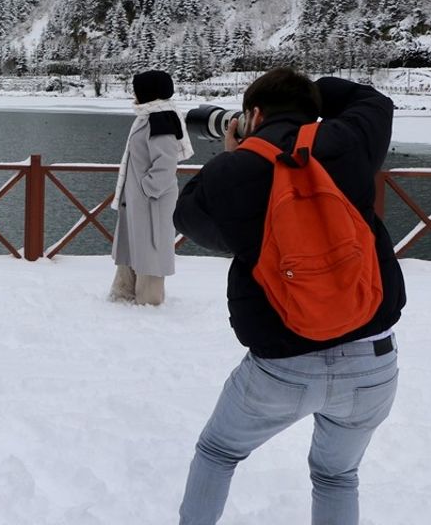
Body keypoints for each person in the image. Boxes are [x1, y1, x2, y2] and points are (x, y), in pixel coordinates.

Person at [173, 68, 407, 525]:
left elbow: (191, 219)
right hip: (371, 359)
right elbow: (372, 99)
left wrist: (236, 150)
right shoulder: (350, 140)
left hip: (282, 366)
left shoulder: (235, 169)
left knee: (218, 452)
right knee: (337, 477)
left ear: (253, 114)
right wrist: (311, 96)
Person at [109, 70, 194, 305]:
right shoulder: (149, 115)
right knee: (133, 246)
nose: (133, 92)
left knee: (150, 251)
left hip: (150, 201)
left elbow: (165, 164)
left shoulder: (160, 119)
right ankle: (123, 293)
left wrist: (147, 190)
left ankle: (148, 303)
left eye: (136, 88)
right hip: (138, 199)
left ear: (147, 91)